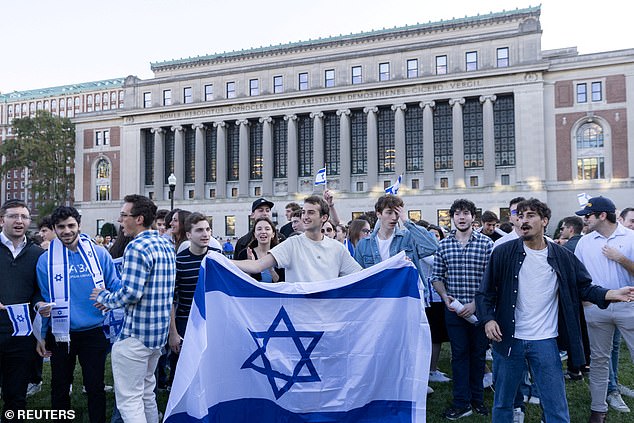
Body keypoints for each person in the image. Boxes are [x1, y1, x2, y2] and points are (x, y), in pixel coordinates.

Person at [476, 198, 634, 423]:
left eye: (530, 215)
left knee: (556, 405)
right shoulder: (503, 253)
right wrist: (488, 320)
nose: (523, 221)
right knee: (503, 403)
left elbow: (584, 287)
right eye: (520, 217)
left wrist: (611, 294)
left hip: (546, 341)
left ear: (545, 221)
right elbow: (485, 293)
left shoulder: (563, 256)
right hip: (509, 340)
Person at [90, 194, 176, 423]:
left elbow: (131, 293)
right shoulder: (166, 244)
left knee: (129, 401)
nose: (120, 220)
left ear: (138, 219)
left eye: (123, 215)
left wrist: (105, 297)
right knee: (147, 394)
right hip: (156, 337)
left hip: (136, 337)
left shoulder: (137, 247)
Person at [36, 205, 120, 423]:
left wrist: (108, 298)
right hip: (61, 333)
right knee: (59, 387)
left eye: (71, 225)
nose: (66, 231)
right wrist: (42, 335)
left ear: (79, 226)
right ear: (54, 228)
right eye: (61, 227)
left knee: (95, 387)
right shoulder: (45, 261)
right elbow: (45, 298)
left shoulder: (99, 253)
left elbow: (115, 284)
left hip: (93, 331)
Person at [431, 198, 493, 420]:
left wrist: (475, 303)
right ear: (452, 217)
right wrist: (445, 296)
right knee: (459, 355)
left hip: (479, 311)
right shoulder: (444, 245)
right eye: (457, 213)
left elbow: (491, 279)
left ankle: (477, 400)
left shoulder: (486, 244)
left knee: (478, 356)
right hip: (454, 311)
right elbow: (436, 276)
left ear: (473, 217)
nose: (461, 217)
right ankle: (461, 402)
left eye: (466, 213)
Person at [573, 196, 634, 422]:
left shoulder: (630, 237)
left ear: (601, 216)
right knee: (598, 360)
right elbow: (577, 278)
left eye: (587, 216)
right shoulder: (584, 242)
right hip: (596, 309)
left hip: (629, 307)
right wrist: (586, 302)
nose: (584, 220)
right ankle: (598, 409)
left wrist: (621, 258)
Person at [232, 196, 361, 282]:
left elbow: (360, 276)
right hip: (298, 318)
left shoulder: (337, 248)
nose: (305, 216)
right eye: (304, 212)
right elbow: (258, 266)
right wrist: (218, 259)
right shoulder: (292, 244)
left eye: (311, 212)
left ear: (324, 217)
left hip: (327, 317)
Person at [0, 200, 45, 416]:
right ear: (2, 220)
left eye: (24, 217)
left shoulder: (37, 254)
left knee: (16, 396)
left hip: (22, 335)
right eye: (13, 216)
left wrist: (39, 303)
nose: (19, 221)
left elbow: (39, 289)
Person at [168, 213, 221, 384]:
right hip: (186, 322)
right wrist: (173, 333)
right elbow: (171, 300)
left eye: (207, 229)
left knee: (211, 366)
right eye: (199, 230)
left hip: (213, 321)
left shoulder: (217, 258)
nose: (205, 234)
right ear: (189, 235)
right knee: (184, 368)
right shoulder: (179, 262)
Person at [354, 194, 438, 298]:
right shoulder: (364, 244)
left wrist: (407, 222)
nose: (394, 218)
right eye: (389, 213)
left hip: (407, 297)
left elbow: (432, 247)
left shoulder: (408, 238)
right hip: (377, 298)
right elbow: (358, 276)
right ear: (379, 214)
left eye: (397, 213)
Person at [424, 225, 452, 384]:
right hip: (431, 300)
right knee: (435, 336)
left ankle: (433, 367)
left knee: (439, 336)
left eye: (436, 235)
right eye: (430, 235)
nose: (433, 237)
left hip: (441, 298)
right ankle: (431, 370)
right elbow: (439, 264)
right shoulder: (425, 254)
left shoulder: (439, 252)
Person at [236, 217, 284, 282]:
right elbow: (241, 282)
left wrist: (270, 268)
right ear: (254, 234)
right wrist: (250, 264)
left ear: (273, 234)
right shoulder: (244, 254)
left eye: (267, 229)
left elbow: (282, 284)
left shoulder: (279, 255)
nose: (263, 232)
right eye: (259, 229)